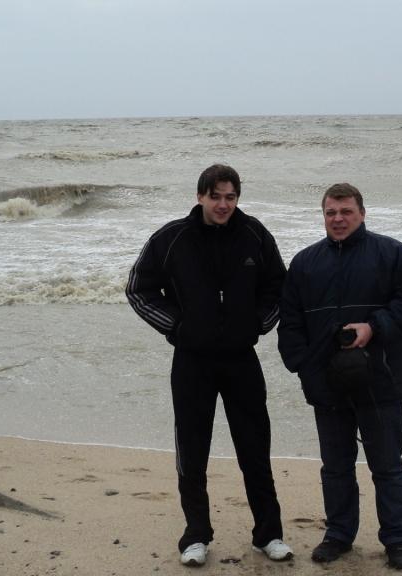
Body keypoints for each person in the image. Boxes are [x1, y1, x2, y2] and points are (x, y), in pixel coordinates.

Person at [126, 164, 293, 567]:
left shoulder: (254, 234)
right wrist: (177, 327)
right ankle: (196, 535)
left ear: (238, 198)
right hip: (192, 360)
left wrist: (258, 323)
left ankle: (268, 534)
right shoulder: (171, 238)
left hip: (241, 359)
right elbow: (138, 289)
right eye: (215, 196)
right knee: (192, 450)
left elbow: (279, 287)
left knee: (255, 448)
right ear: (200, 196)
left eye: (230, 197)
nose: (223, 204)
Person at [277, 183, 402, 571]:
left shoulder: (392, 254)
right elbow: (290, 322)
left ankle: (396, 540)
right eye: (331, 212)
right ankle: (339, 535)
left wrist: (374, 327)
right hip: (327, 383)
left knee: (387, 466)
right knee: (335, 467)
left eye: (346, 211)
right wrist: (303, 366)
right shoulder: (305, 263)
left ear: (362, 213)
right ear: (323, 216)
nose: (338, 219)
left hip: (382, 380)